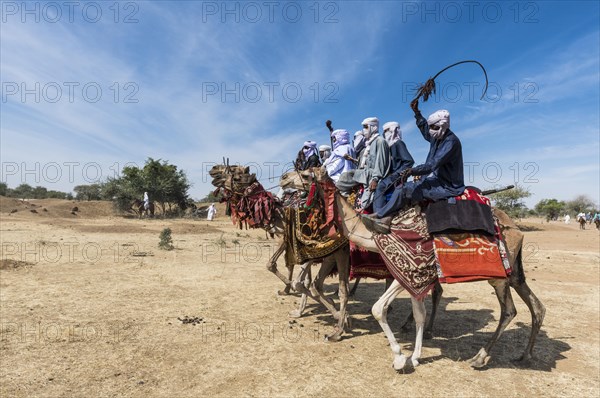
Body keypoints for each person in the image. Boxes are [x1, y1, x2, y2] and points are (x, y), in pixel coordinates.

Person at [363, 101, 465, 233]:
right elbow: (424, 129)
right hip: (436, 179)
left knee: (405, 190)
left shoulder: (451, 142)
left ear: (442, 125)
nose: (430, 130)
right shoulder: (437, 135)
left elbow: (432, 164)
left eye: (433, 127)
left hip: (448, 186)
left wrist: (412, 171)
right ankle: (386, 217)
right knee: (402, 188)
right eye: (430, 127)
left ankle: (380, 215)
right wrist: (417, 113)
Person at [336, 117, 390, 209]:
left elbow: (380, 163)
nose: (364, 130)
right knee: (343, 179)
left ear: (373, 127)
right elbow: (364, 163)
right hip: (364, 173)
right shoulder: (369, 145)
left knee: (365, 204)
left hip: (372, 176)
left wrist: (375, 179)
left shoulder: (380, 142)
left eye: (365, 127)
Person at [372, 121, 415, 215]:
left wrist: (397, 174)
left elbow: (409, 161)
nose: (384, 134)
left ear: (393, 130)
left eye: (387, 131)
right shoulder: (389, 147)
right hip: (391, 176)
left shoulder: (398, 143)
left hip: (397, 177)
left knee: (381, 187)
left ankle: (378, 214)